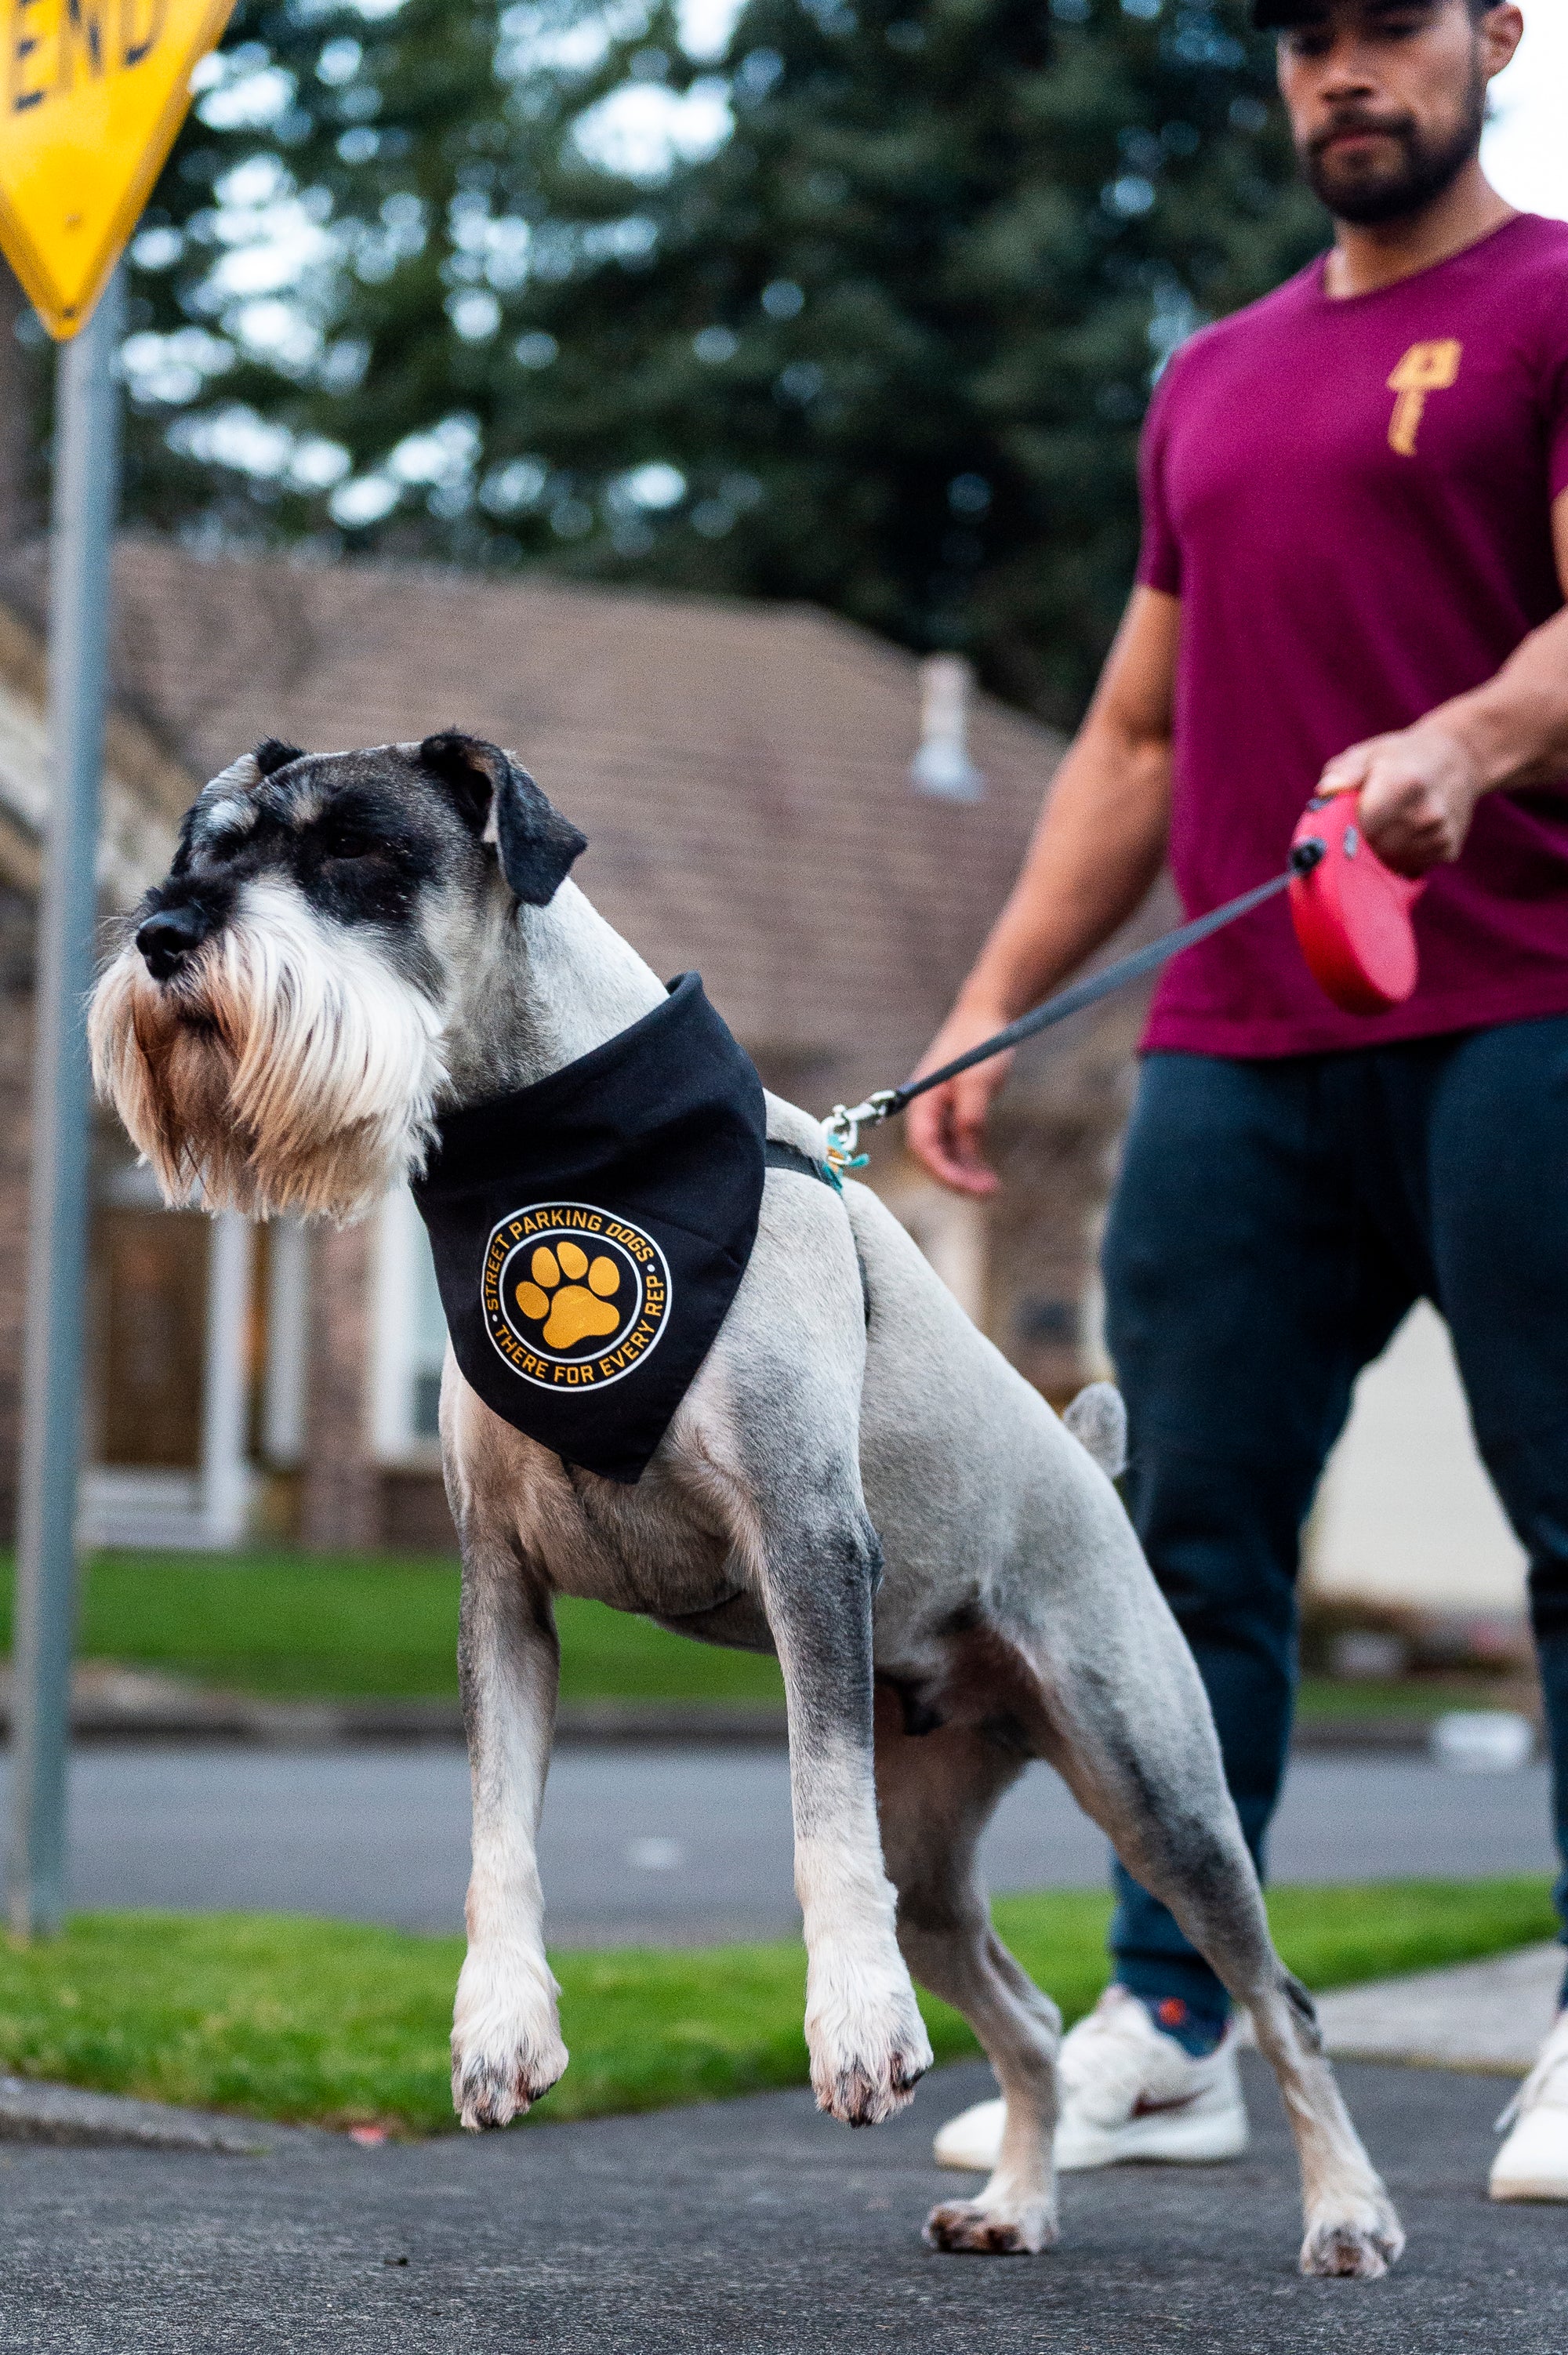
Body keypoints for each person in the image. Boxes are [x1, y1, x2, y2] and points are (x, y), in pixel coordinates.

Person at [912, 0, 1568, 2201]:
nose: (1341, 73)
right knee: (1176, 1546)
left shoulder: (1557, 305)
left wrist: (1469, 737)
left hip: (1526, 1007)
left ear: (1496, 30)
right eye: (1304, 36)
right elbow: (1127, 738)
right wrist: (992, 1000)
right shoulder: (1212, 377)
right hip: (1239, 1051)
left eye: (1390, 23)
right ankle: (1178, 2012)